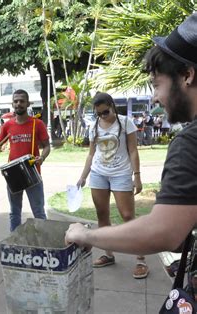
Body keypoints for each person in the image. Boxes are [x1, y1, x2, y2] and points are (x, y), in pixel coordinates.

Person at [66, 13, 197, 261]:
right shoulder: (95, 127)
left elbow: (163, 231)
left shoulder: (190, 145)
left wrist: (86, 236)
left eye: (157, 84)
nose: (154, 98)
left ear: (187, 76)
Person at [76, 92, 147, 279]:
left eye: (105, 112)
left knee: (127, 216)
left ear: (112, 106)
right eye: (99, 114)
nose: (102, 116)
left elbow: (133, 150)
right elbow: (91, 154)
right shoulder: (94, 127)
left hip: (121, 174)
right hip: (99, 174)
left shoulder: (125, 123)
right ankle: (108, 254)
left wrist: (137, 176)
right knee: (102, 215)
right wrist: (83, 176)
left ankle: (141, 260)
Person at [0, 89, 50, 232]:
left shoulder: (37, 124)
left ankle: (44, 242)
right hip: (13, 174)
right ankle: (14, 241)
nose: (19, 104)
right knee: (14, 212)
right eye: (16, 101)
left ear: (28, 103)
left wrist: (42, 157)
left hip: (33, 172)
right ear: (12, 104)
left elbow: (47, 146)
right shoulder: (7, 125)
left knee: (39, 212)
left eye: (22, 101)